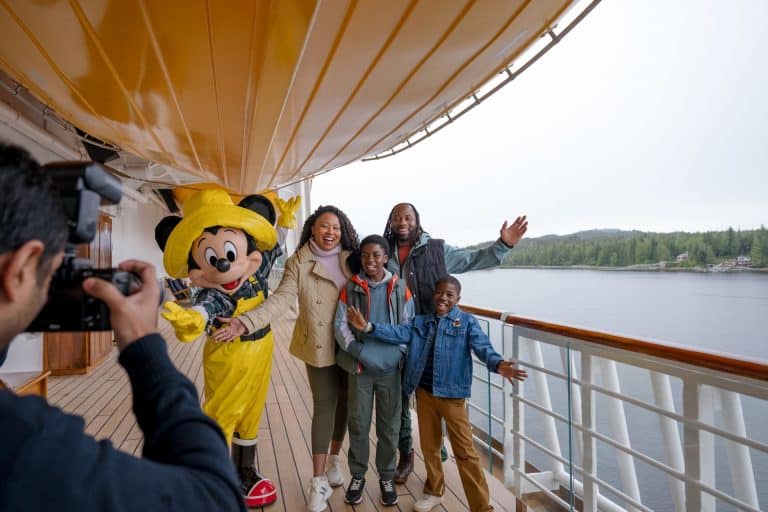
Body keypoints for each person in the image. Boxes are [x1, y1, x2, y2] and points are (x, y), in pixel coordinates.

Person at [0, 142, 244, 511]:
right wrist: (145, 347)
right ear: (19, 268)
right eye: (50, 275)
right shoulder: (20, 446)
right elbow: (216, 499)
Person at [214, 205, 359, 512]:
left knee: (345, 403)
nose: (330, 232)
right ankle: (318, 481)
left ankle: (334, 459)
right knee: (325, 406)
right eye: (324, 226)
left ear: (343, 230)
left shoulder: (352, 259)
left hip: (350, 344)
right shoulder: (298, 262)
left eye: (335, 227)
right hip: (318, 343)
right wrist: (246, 322)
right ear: (312, 229)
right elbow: (280, 300)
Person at [346, 275, 528, 512]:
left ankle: (481, 507)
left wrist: (498, 364)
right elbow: (398, 332)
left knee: (466, 453)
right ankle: (434, 491)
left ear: (458, 299)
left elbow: (483, 347)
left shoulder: (466, 322)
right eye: (440, 292)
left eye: (449, 295)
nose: (443, 298)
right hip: (425, 395)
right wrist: (369, 327)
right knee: (430, 448)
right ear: (434, 295)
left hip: (453, 398)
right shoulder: (421, 322)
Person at [155, 188, 288, 508]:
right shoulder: (214, 293)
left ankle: (244, 471)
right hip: (229, 354)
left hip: (262, 349)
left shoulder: (256, 268)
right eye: (213, 259)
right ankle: (211, 478)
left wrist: (284, 221)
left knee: (251, 414)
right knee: (221, 415)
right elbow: (203, 311)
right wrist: (190, 318)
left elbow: (273, 246)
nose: (225, 265)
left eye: (230, 253)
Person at [383, 202, 528, 482]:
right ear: (391, 222)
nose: (403, 222)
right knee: (399, 400)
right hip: (396, 336)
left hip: (431, 337)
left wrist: (503, 245)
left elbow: (471, 259)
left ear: (417, 220)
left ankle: (436, 453)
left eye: (408, 217)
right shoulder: (383, 251)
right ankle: (406, 454)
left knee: (434, 395)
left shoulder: (437, 250)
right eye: (397, 217)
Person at [333, 235, 415, 506]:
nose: (370, 260)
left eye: (376, 255)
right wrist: (361, 353)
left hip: (390, 369)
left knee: (389, 427)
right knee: (358, 424)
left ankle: (386, 477)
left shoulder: (400, 288)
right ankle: (358, 476)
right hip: (360, 368)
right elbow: (340, 327)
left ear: (385, 258)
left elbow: (408, 328)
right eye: (366, 255)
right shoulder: (350, 288)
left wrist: (395, 355)